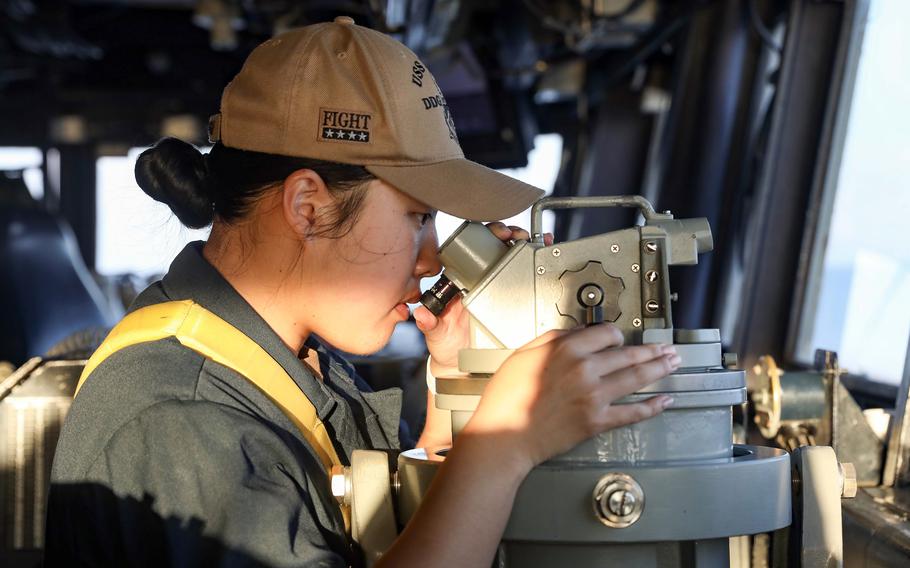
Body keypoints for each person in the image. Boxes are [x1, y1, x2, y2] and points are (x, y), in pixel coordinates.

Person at [44, 16, 679, 567]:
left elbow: (380, 542)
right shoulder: (182, 423)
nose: (432, 261)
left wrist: (452, 397)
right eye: (417, 218)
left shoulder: (282, 362)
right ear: (308, 207)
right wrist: (502, 446)